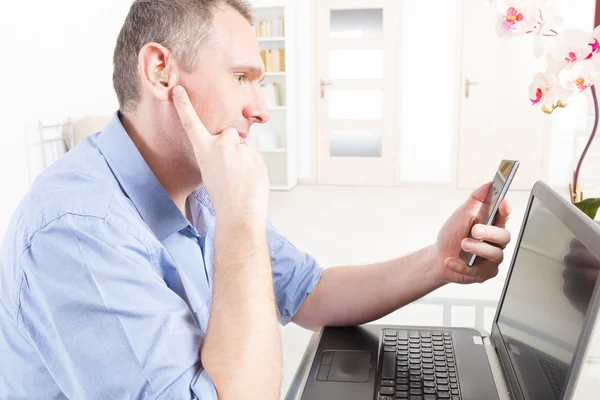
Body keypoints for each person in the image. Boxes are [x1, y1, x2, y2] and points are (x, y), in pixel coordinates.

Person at [0, 0, 512, 398]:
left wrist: (440, 262)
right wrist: (243, 219)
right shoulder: (76, 229)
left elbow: (311, 294)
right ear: (160, 71)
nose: (262, 110)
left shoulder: (203, 187)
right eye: (242, 77)